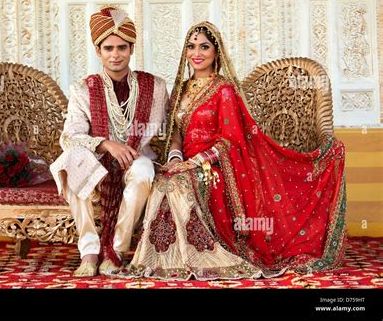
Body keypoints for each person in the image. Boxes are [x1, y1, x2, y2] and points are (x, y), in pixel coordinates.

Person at [116, 21, 346, 280]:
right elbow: (176, 133)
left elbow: (230, 142)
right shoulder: (181, 89)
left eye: (204, 47)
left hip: (217, 167)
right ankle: (168, 258)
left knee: (178, 184)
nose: (196, 53)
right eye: (191, 47)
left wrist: (195, 163)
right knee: (164, 180)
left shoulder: (224, 90)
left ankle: (201, 256)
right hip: (185, 162)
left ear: (216, 51)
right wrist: (175, 158)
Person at [50, 7, 168, 277]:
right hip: (97, 161)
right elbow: (70, 136)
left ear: (131, 49)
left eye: (122, 47)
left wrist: (174, 154)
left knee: (143, 172)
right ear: (98, 51)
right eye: (108, 48)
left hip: (136, 157)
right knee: (70, 162)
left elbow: (171, 128)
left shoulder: (156, 87)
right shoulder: (82, 90)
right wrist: (106, 144)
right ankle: (89, 250)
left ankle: (116, 250)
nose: (115, 54)